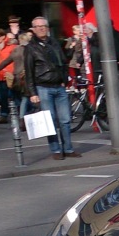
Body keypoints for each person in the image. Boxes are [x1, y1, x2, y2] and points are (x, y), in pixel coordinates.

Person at [24, 16, 79, 160]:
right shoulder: (30, 48)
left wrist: (64, 79)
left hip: (58, 86)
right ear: (34, 29)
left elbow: (63, 62)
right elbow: (28, 71)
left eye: (44, 26)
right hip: (43, 87)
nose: (41, 28)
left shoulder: (54, 43)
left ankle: (68, 148)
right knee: (50, 120)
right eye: (38, 26)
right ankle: (55, 150)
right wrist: (32, 92)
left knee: (65, 119)